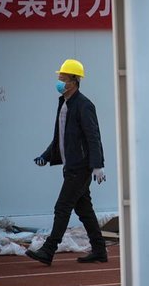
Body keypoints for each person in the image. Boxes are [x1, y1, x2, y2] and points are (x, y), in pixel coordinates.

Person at [26, 59, 108, 266]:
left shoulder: (84, 105)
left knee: (62, 207)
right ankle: (99, 250)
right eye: (59, 77)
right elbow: (61, 137)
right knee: (84, 210)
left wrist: (98, 165)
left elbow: (93, 136)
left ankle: (48, 250)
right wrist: (46, 155)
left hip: (80, 167)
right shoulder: (64, 103)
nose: (59, 80)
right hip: (70, 166)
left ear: (74, 81)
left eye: (63, 78)